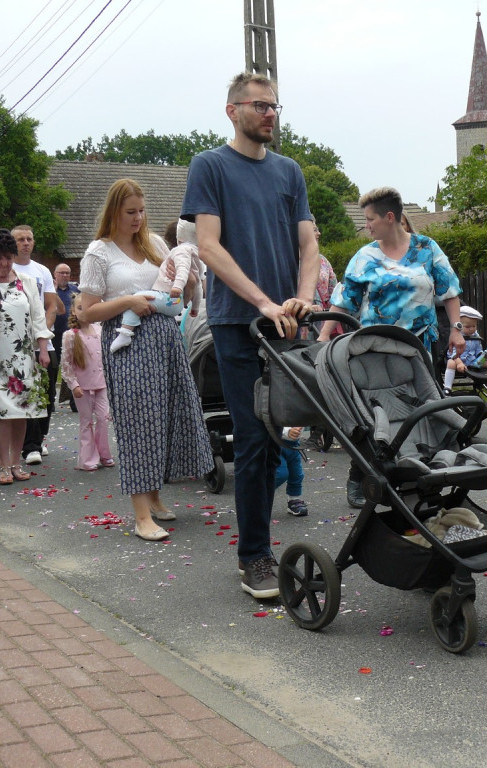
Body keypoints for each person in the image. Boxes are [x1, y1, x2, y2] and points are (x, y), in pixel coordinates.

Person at [181, 71, 319, 598]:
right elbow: (210, 247)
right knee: (255, 439)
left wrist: (302, 296)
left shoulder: (290, 172)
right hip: (238, 327)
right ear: (232, 109)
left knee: (290, 433)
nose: (270, 114)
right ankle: (255, 557)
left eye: (275, 107)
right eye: (260, 105)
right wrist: (261, 301)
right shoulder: (210, 166)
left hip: (287, 326)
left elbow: (309, 247)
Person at [78, 178, 213, 541]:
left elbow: (176, 281)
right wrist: (127, 302)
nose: (138, 218)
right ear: (114, 212)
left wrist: (187, 287)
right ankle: (141, 516)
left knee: (165, 417)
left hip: (166, 338)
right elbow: (87, 312)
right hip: (128, 341)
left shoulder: (155, 243)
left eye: (141, 211)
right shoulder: (98, 252)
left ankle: (154, 498)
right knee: (138, 423)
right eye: (130, 212)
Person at [318, 187, 465, 509]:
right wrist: (324, 337)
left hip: (419, 345)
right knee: (375, 414)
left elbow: (449, 290)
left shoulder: (427, 249)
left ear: (389, 217)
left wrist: (456, 330)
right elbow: (344, 301)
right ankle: (359, 475)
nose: (366, 225)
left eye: (370, 219)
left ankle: (416, 469)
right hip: (374, 347)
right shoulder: (366, 256)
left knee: (421, 407)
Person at [0, 229, 53, 486]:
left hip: (22, 356)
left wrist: (43, 350)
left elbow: (38, 318)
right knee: (0, 411)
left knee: (21, 410)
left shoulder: (27, 282)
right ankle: (3, 465)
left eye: (8, 258)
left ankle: (16, 463)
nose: (4, 263)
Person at [110, 219, 203, 352]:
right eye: (131, 213)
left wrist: (177, 286)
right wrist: (195, 307)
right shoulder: (194, 253)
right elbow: (198, 285)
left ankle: (125, 332)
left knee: (138, 297)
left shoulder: (181, 250)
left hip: (169, 302)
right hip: (173, 304)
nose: (137, 217)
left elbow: (185, 274)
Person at [11, 224, 61, 465]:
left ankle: (39, 436)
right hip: (17, 344)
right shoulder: (6, 269)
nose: (26, 243)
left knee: (48, 392)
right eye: (20, 239)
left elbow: (51, 303)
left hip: (43, 341)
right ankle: (30, 446)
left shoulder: (41, 271)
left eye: (29, 238)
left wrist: (46, 328)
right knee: (28, 393)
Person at [61, 294, 114, 471]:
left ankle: (104, 454)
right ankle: (88, 459)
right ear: (74, 311)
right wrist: (73, 384)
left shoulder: (100, 330)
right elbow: (67, 363)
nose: (83, 311)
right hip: (82, 386)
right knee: (86, 421)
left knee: (103, 418)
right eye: (79, 307)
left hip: (102, 384)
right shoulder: (71, 335)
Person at [52, 263, 80, 412]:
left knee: (74, 367)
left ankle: (76, 402)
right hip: (54, 334)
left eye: (67, 273)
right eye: (61, 273)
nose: (64, 276)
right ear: (55, 274)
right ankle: (50, 402)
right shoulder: (50, 290)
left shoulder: (76, 290)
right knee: (53, 367)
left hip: (72, 334)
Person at [276, 426, 308, 517]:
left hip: (294, 445)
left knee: (296, 474)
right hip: (275, 443)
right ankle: (260, 495)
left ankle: (294, 499)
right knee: (280, 474)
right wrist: (287, 431)